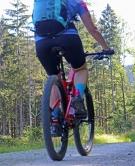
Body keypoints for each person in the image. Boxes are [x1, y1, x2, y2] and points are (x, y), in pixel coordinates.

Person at [34, 0, 112, 131]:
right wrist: (106, 48)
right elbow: (92, 29)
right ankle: (77, 99)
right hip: (68, 39)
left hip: (42, 43)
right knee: (81, 69)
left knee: (54, 77)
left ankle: (54, 118)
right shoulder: (78, 2)